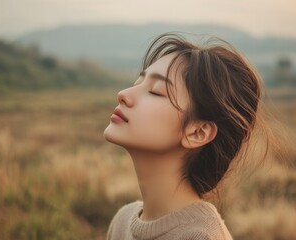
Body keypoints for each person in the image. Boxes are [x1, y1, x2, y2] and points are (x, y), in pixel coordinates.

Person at [103, 33, 265, 240]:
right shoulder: (122, 221)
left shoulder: (201, 237)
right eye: (137, 83)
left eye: (155, 92)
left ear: (198, 132)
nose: (124, 94)